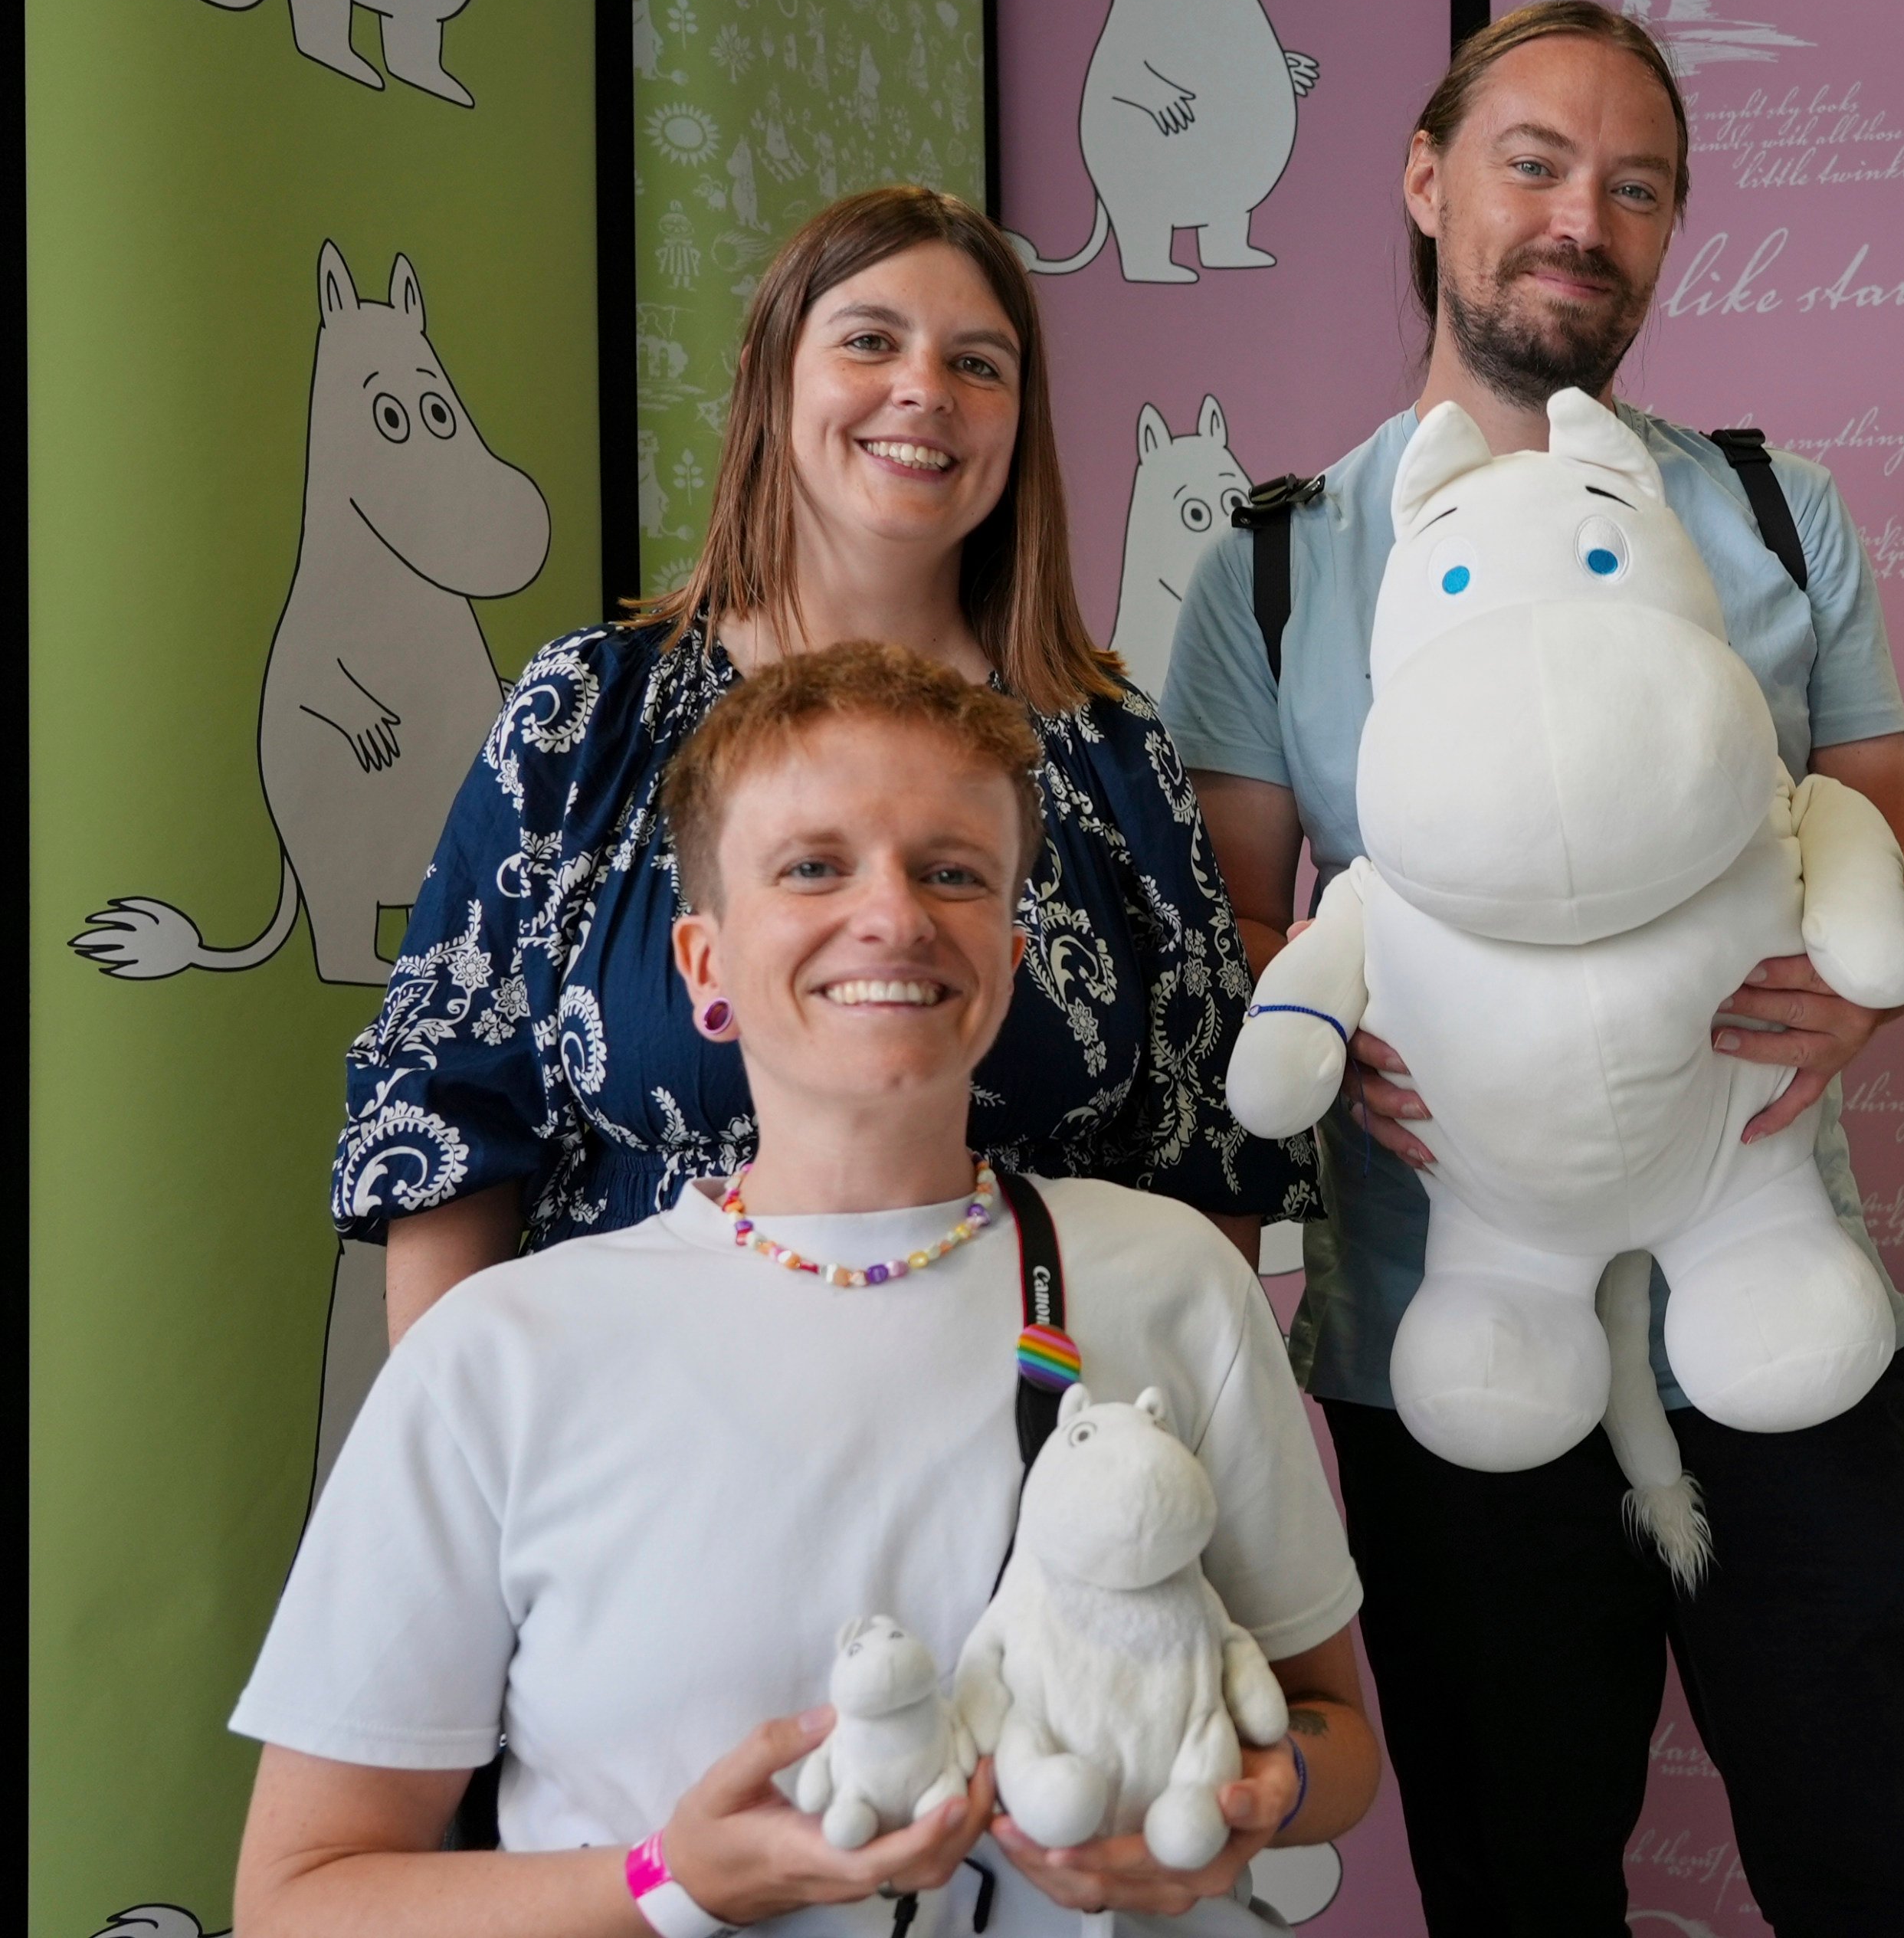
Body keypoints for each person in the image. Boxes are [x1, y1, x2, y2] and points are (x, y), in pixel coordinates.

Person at [1158, 0, 1904, 1937]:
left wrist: (1873, 988)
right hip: (1444, 1331)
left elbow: (1893, 843)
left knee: (1874, 1856)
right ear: (1428, 179)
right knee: (1516, 1878)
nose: (1578, 221)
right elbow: (1241, 933)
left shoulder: (1774, 515)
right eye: (1532, 164)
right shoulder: (1281, 565)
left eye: (1635, 187)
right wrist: (1336, 1017)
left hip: (1772, 1294)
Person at [231, 642, 1379, 1935]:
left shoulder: (1173, 1285)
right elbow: (301, 1897)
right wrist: (668, 1885)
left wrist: (1248, 1804)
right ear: (706, 968)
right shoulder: (500, 1356)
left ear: (1008, 960)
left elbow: (1332, 1744)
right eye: (813, 868)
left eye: (952, 872)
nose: (892, 915)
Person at [339, 186, 1316, 1344]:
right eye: (869, 340)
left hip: (1026, 1458)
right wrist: (457, 1472)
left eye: (979, 363)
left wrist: (1167, 1450)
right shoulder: (586, 718)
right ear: (770, 373)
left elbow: (1208, 1151)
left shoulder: (1107, 748)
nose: (924, 391)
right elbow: (450, 1122)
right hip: (632, 1457)